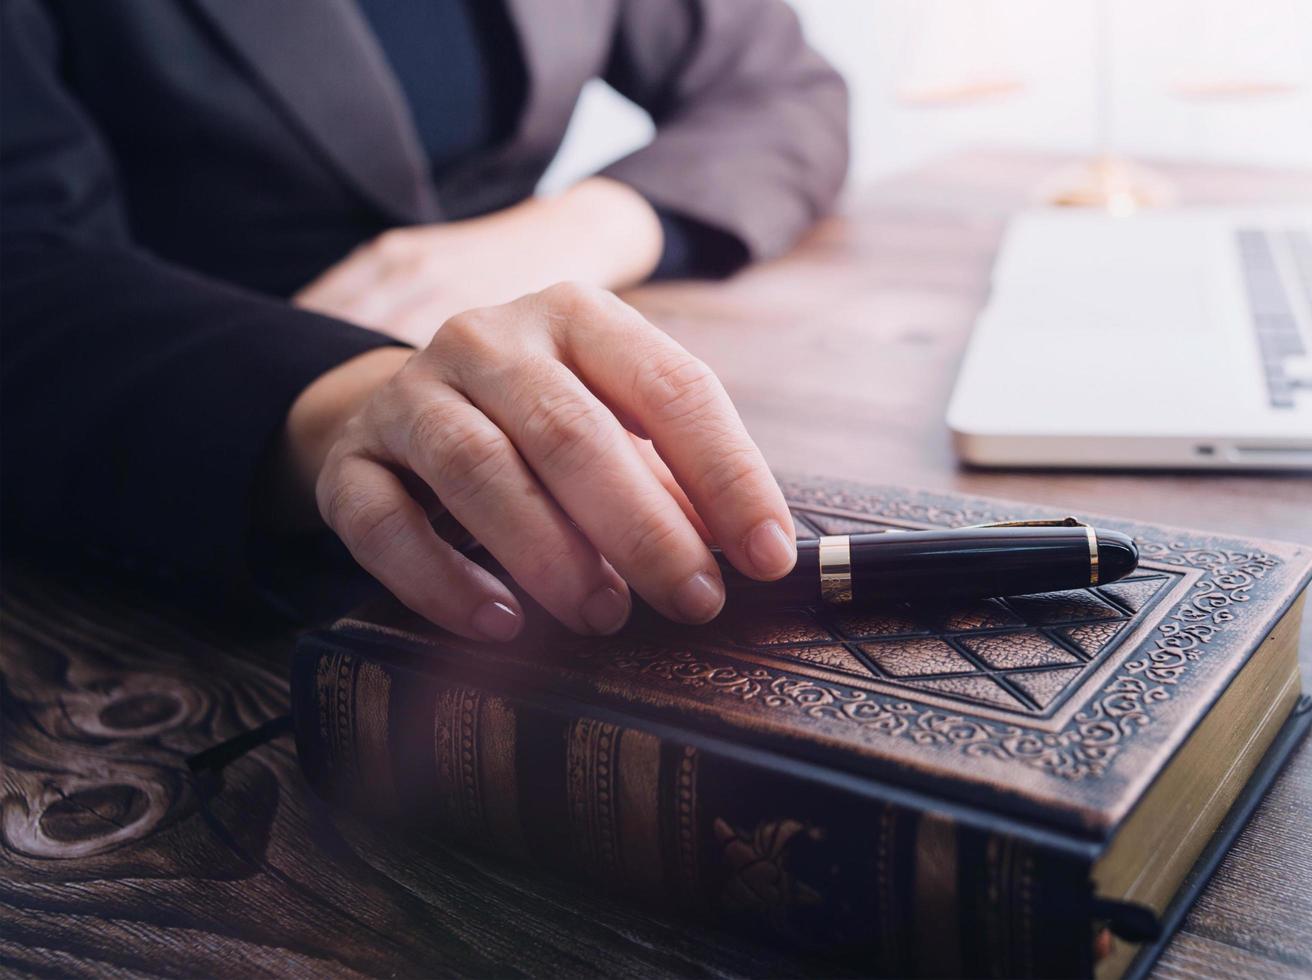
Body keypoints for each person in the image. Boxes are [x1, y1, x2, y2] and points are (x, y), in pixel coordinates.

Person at [0, 0, 848, 638]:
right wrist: (347, 400)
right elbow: (24, 255)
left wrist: (576, 231)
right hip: (189, 466)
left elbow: (783, 89)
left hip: (545, 391)